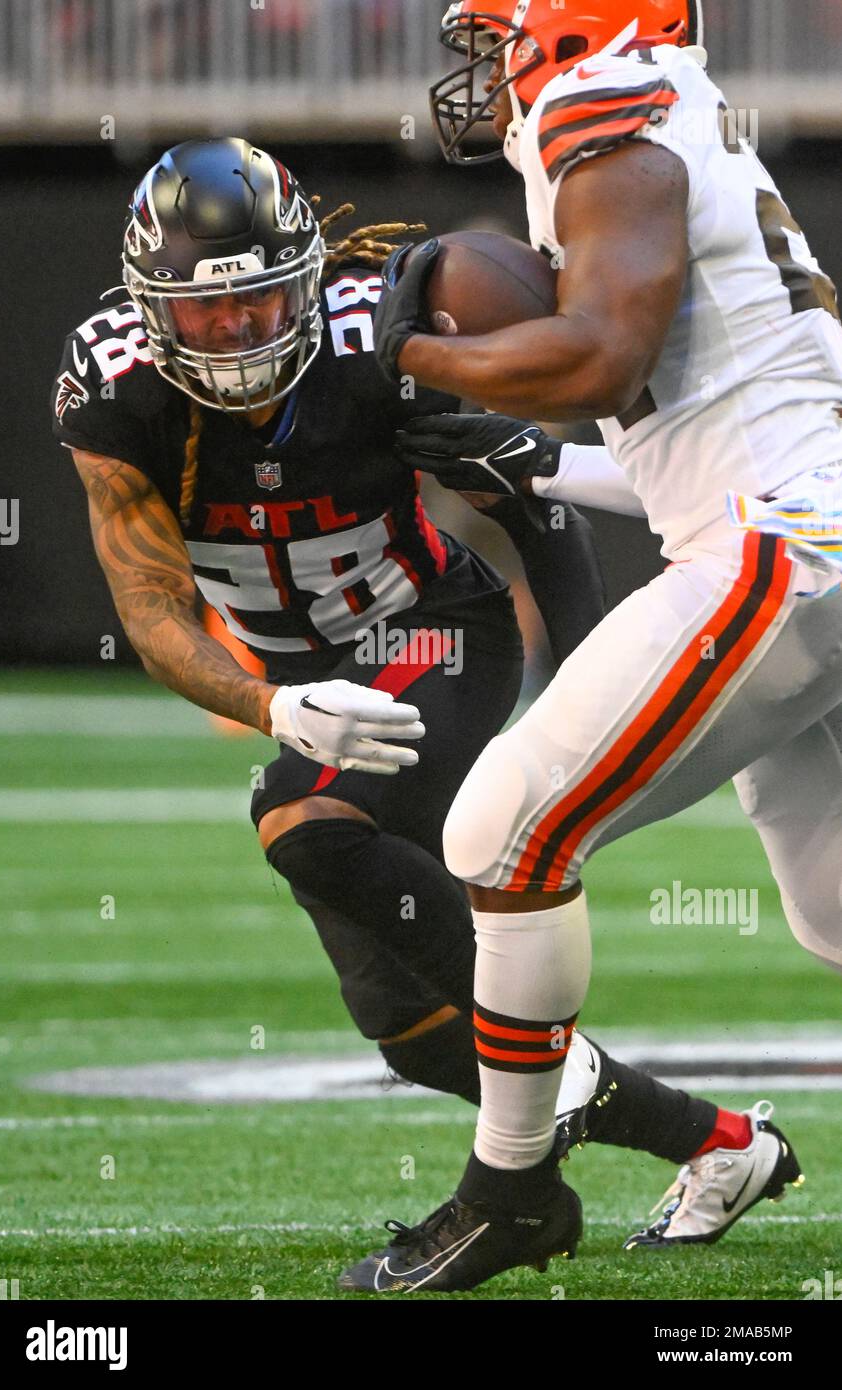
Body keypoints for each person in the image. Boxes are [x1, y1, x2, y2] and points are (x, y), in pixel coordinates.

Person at [51, 136, 799, 1286]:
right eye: (206, 318)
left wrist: (574, 716)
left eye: (258, 304)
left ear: (303, 280)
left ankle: (519, 1187)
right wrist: (272, 701)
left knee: (305, 826)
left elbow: (537, 508)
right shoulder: (113, 385)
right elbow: (150, 606)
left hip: (434, 630)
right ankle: (718, 1144)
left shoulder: (374, 343)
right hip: (302, 677)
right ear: (150, 311)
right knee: (408, 1023)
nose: (240, 337)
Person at [342, 0, 841, 1292]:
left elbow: (601, 352)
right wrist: (541, 453)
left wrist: (411, 359)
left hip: (782, 544)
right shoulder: (676, 104)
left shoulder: (599, 100)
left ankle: (508, 1187)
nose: (485, 56)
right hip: (801, 521)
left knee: (501, 828)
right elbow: (686, 408)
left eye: (497, 25)